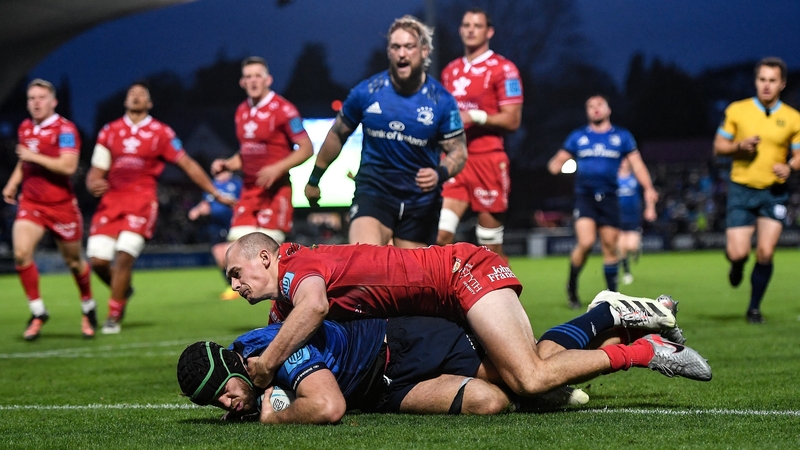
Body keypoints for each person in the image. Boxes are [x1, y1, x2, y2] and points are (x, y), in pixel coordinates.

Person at [224, 232, 710, 405]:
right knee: (529, 370)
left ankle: (645, 351)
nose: (234, 284)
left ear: (265, 259)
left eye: (237, 272)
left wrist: (265, 365)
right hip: (445, 303)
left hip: (462, 275)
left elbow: (315, 307)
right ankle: (607, 314)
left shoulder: (296, 267)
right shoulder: (282, 300)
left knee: (531, 378)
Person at [177, 294, 697, 424]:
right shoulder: (247, 369)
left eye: (224, 392)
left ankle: (619, 329)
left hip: (404, 343)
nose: (227, 404)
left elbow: (329, 406)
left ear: (236, 367)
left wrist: (274, 414)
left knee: (532, 377)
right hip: (381, 389)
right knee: (493, 403)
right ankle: (604, 325)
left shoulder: (272, 352)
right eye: (216, 404)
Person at [304, 15, 468, 248]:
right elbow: (337, 134)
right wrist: (314, 179)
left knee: (413, 282)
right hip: (374, 192)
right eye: (395, 47)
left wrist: (439, 173)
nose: (402, 53)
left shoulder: (442, 101)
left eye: (409, 47)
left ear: (423, 51)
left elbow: (459, 152)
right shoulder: (366, 92)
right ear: (389, 51)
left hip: (420, 203)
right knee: (365, 263)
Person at [85, 81, 234, 334]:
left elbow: (187, 164)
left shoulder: (161, 132)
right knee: (98, 261)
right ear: (125, 101)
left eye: (141, 94)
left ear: (149, 103)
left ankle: (113, 314)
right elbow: (95, 172)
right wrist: (92, 184)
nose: (135, 97)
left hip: (142, 201)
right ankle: (124, 290)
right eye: (131, 93)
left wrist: (213, 192)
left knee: (123, 257)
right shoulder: (109, 131)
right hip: (111, 201)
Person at [2, 79, 96, 340]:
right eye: (31, 98)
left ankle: (88, 307)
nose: (36, 102)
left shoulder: (65, 129)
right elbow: (24, 162)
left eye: (41, 97)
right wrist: (12, 184)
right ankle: (37, 311)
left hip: (61, 206)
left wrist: (32, 157)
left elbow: (68, 166)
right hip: (31, 203)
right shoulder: (25, 127)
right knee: (21, 254)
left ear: (53, 101)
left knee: (75, 262)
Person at [548, 95, 658, 309]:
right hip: (585, 197)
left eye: (599, 105)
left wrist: (648, 188)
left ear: (608, 109)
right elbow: (556, 162)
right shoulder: (578, 137)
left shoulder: (622, 136)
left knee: (610, 246)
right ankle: (572, 286)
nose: (595, 109)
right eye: (590, 106)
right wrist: (557, 165)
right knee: (586, 242)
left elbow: (638, 165)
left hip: (609, 197)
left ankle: (612, 297)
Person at [713, 57, 800, 324]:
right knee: (739, 252)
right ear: (756, 81)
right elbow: (718, 146)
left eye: (772, 80)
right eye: (762, 79)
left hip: (773, 192)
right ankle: (737, 265)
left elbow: (798, 154)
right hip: (741, 189)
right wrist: (738, 147)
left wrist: (790, 167)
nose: (766, 85)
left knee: (765, 252)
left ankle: (753, 308)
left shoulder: (793, 117)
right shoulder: (737, 111)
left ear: (782, 84)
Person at [437, 8, 523, 261]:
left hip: (487, 160)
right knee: (439, 238)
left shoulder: (504, 69)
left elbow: (513, 119)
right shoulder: (450, 71)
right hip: (455, 160)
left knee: (490, 249)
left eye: (477, 25)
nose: (471, 29)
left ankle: (506, 296)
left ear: (489, 31)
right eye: (466, 25)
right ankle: (444, 299)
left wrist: (475, 116)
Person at [210, 56, 313, 264]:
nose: (253, 81)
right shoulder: (241, 111)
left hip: (275, 191)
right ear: (242, 82)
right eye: (248, 76)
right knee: (234, 253)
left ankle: (291, 291)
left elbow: (307, 148)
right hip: (249, 192)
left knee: (268, 257)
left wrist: (277, 168)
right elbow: (247, 152)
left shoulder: (284, 110)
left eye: (258, 76)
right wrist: (227, 164)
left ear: (268, 80)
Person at [187, 168, 242, 300]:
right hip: (215, 225)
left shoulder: (237, 184)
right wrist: (198, 210)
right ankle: (231, 286)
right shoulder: (211, 186)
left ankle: (242, 284)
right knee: (220, 257)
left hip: (232, 224)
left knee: (232, 255)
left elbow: (243, 201)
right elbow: (206, 203)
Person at [616, 158, 657, 285]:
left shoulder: (636, 178)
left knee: (631, 246)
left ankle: (636, 250)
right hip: (618, 217)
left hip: (633, 216)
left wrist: (650, 208)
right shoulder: (613, 178)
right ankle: (627, 272)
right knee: (621, 247)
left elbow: (648, 192)